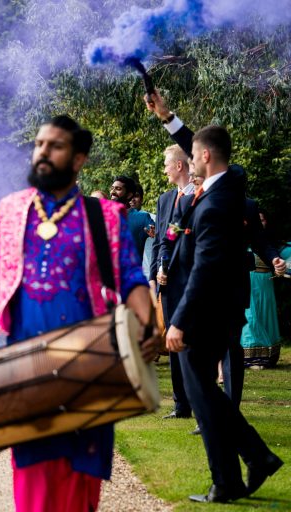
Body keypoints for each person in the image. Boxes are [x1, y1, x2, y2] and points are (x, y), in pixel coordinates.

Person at [0, 115, 156, 512]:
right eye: (39, 145)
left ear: (79, 159)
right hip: (26, 364)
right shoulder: (10, 211)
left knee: (79, 483)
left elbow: (132, 278)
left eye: (55, 146)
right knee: (33, 483)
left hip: (91, 362)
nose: (43, 153)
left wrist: (150, 323)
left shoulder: (103, 216)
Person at [145, 92, 284, 501]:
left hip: (206, 310)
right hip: (213, 308)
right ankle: (246, 466)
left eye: (193, 153)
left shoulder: (217, 202)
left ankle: (237, 473)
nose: (189, 157)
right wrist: (168, 117)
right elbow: (204, 143)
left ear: (202, 157)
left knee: (202, 392)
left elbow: (205, 268)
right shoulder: (230, 180)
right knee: (204, 391)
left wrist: (179, 320)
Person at [150, 144, 195, 421]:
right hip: (167, 282)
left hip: (190, 280)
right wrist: (157, 271)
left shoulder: (199, 197)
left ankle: (198, 400)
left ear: (179, 165)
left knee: (191, 341)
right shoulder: (165, 199)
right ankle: (181, 405)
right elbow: (160, 242)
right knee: (171, 340)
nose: (164, 169)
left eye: (167, 164)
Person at [241, 210, 282, 367]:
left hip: (265, 282)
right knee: (251, 315)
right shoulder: (243, 239)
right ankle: (251, 355)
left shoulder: (268, 240)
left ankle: (268, 354)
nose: (261, 222)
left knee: (266, 314)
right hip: (249, 279)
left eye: (263, 220)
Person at [110, 176, 154, 260]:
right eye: (112, 188)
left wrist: (155, 232)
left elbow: (157, 232)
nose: (112, 192)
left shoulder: (142, 217)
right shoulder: (103, 215)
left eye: (118, 189)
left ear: (129, 195)